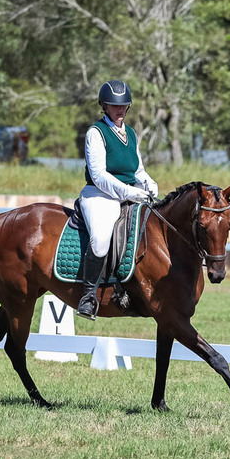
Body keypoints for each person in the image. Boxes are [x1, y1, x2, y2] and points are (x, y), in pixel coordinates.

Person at [76, 80, 158, 319]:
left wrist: (148, 183)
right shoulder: (96, 133)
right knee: (101, 240)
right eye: (114, 106)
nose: (119, 110)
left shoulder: (130, 133)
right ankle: (88, 297)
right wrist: (129, 192)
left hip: (128, 194)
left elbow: (137, 169)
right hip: (99, 196)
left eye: (123, 106)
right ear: (104, 106)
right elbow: (99, 175)